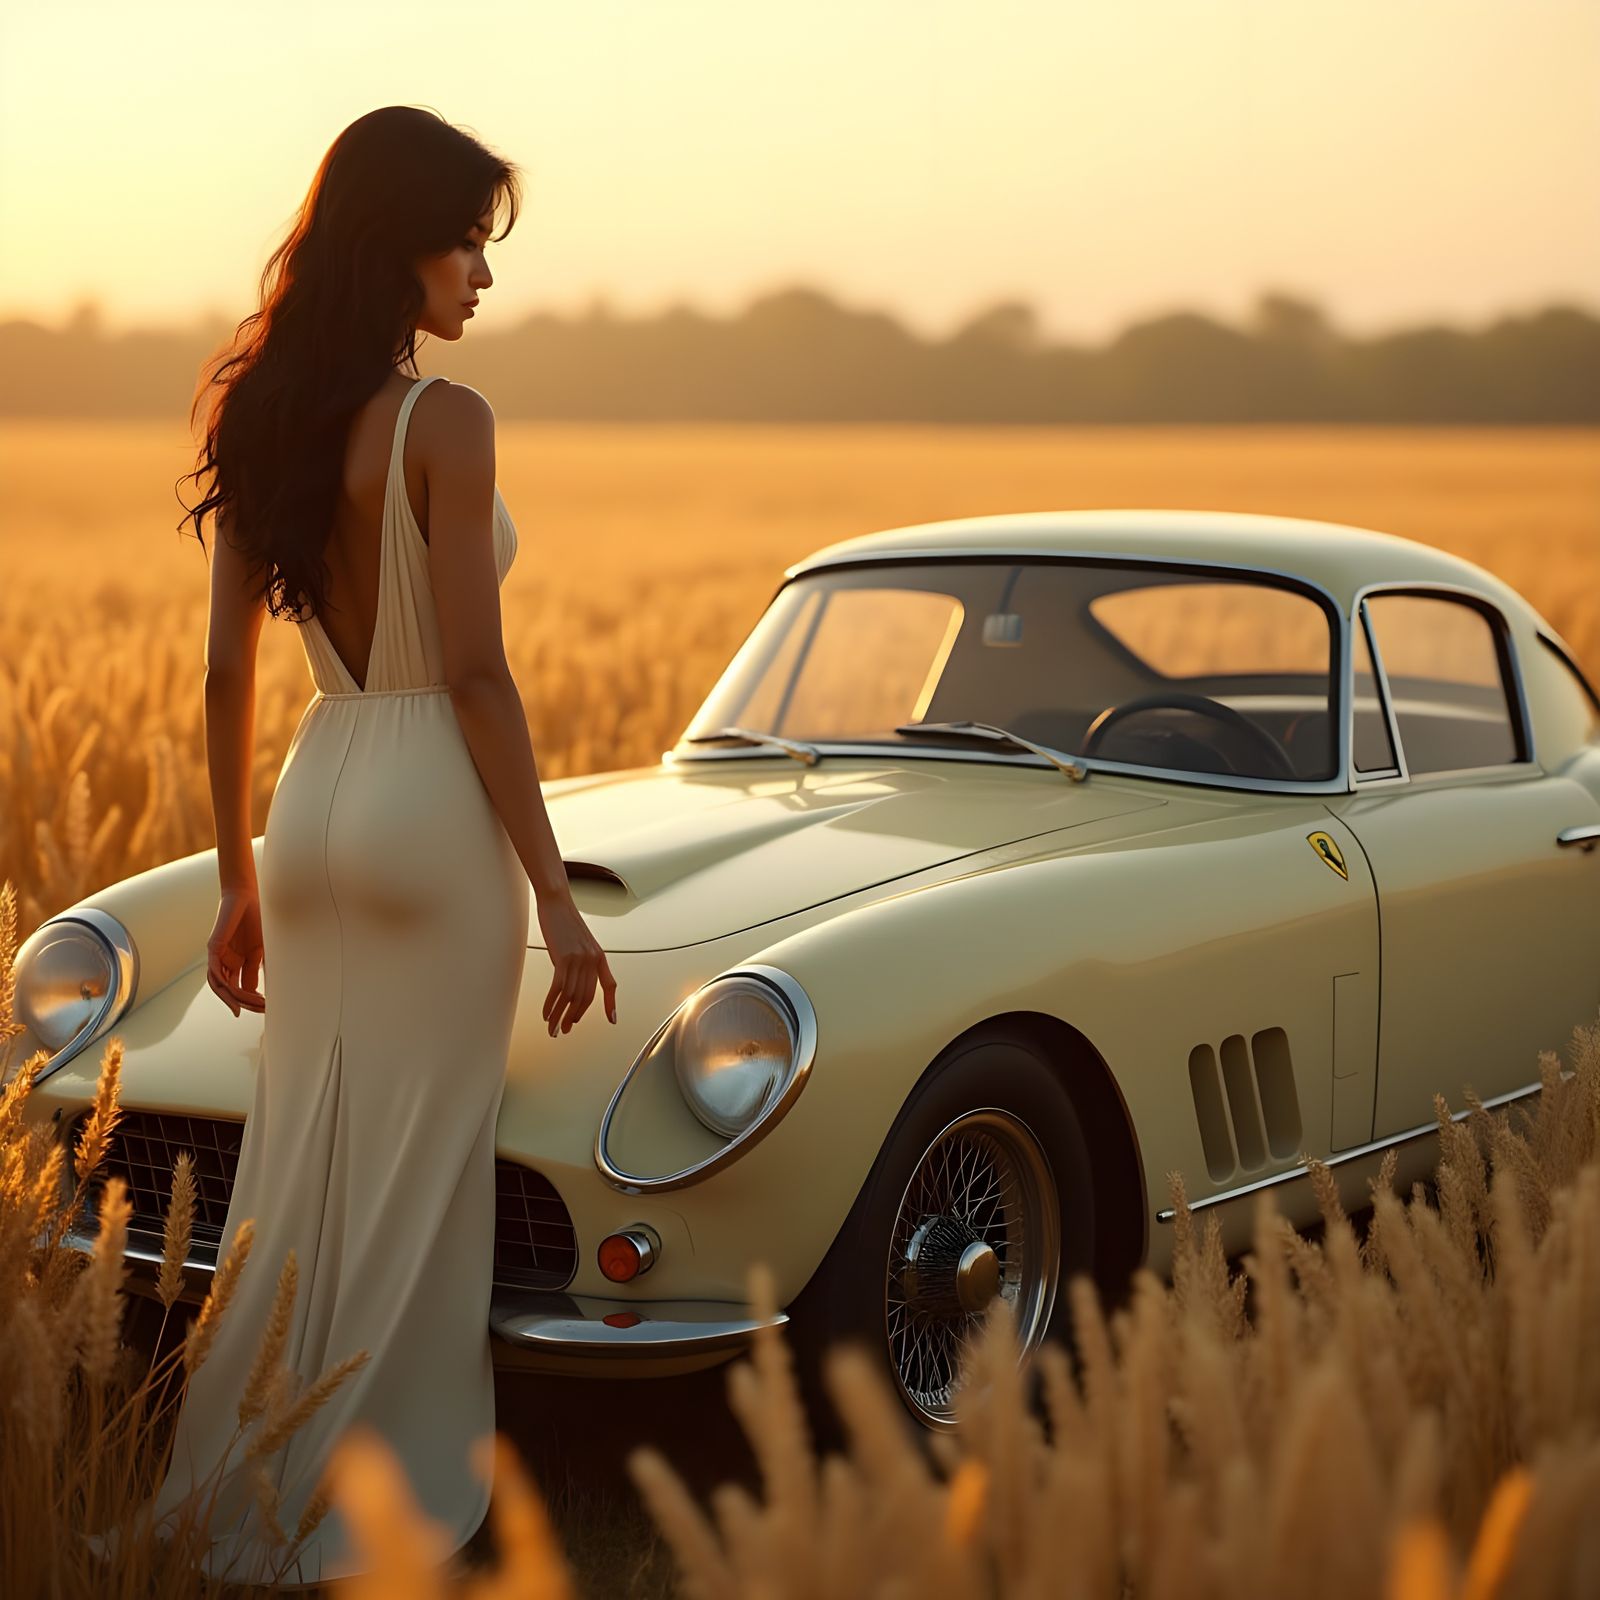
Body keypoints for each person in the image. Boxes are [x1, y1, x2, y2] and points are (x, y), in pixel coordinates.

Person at [148, 105, 619, 1587]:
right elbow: (477, 677)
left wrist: (237, 874)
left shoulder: (263, 415)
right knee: (419, 1175)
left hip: (315, 791)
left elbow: (225, 675)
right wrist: (558, 894)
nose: (485, 274)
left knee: (307, 1160)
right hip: (426, 806)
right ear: (396, 247)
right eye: (468, 241)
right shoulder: (445, 424)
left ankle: (240, 1482)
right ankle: (387, 1504)